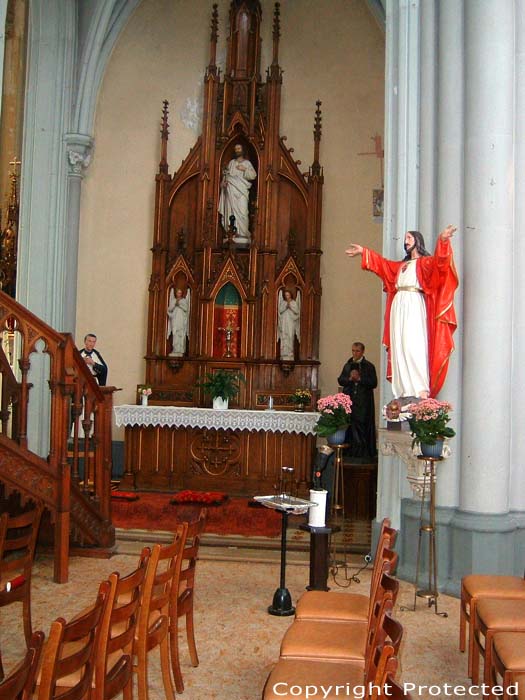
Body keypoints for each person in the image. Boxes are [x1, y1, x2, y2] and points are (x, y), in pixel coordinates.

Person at [345, 226, 458, 399]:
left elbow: (441, 264)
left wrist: (443, 240)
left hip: (414, 303)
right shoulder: (401, 266)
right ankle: (404, 389)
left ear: (417, 241)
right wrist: (364, 252)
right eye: (405, 238)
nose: (406, 241)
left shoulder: (425, 263)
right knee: (400, 345)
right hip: (398, 307)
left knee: (414, 344)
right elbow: (382, 265)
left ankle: (419, 387)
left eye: (409, 238)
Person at [338, 342, 377, 459]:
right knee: (349, 426)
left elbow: (373, 383)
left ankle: (363, 454)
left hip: (363, 402)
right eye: (353, 351)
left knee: (362, 426)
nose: (355, 353)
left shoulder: (369, 366)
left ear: (363, 352)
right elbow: (341, 380)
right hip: (350, 401)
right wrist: (350, 378)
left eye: (357, 351)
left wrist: (360, 379)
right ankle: (350, 452)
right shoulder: (348, 365)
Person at [218, 143, 256, 244]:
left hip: (242, 192)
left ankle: (243, 232)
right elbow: (226, 176)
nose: (237, 150)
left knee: (243, 212)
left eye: (239, 148)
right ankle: (232, 232)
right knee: (231, 211)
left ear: (242, 150)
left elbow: (253, 175)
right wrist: (224, 182)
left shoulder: (247, 163)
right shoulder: (231, 163)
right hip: (231, 192)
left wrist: (245, 169)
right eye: (236, 149)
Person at [277, 288, 301, 361]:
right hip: (284, 322)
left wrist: (290, 307)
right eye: (285, 295)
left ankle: (290, 353)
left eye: (288, 295)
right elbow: (280, 310)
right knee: (284, 336)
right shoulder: (283, 302)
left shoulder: (293, 302)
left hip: (291, 322)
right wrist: (285, 307)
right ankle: (283, 353)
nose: (287, 296)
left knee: (290, 336)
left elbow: (297, 311)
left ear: (290, 295)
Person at [167, 287, 190, 356]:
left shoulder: (183, 301)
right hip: (175, 320)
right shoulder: (173, 300)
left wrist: (179, 305)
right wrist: (174, 305)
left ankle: (180, 350)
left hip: (181, 320)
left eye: (180, 293)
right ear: (176, 293)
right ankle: (175, 349)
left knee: (181, 334)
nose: (179, 294)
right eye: (178, 293)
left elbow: (186, 309)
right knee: (175, 334)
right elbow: (169, 310)